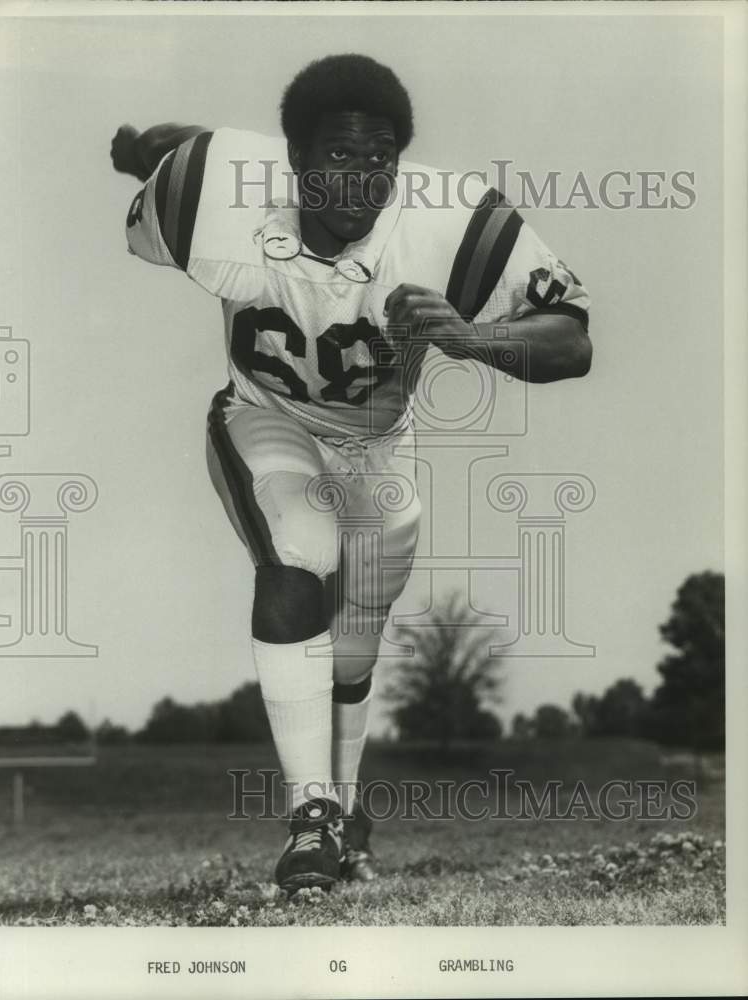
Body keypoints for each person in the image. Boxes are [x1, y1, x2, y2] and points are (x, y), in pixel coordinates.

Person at [110, 53, 592, 895]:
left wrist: (469, 337)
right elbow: (180, 155)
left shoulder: (449, 218)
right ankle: (313, 819)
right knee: (298, 552)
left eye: (380, 160)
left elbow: (573, 340)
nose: (361, 181)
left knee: (355, 647)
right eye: (338, 157)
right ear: (293, 160)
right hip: (267, 415)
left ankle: (349, 802)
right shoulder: (209, 192)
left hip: (378, 444)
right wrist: (143, 152)